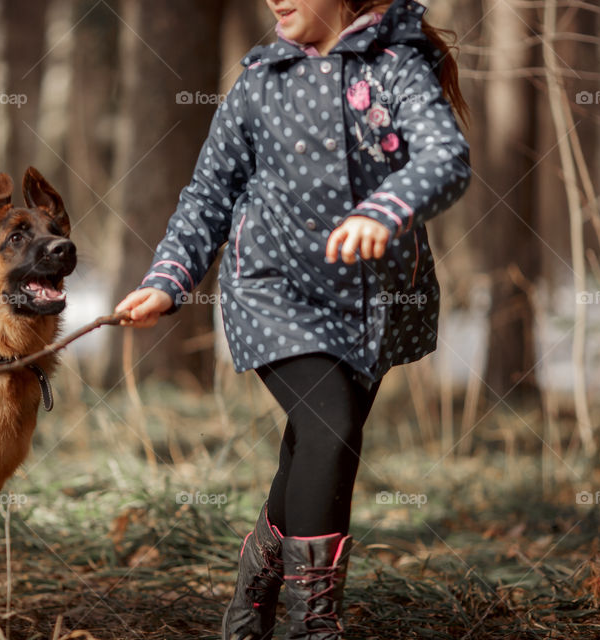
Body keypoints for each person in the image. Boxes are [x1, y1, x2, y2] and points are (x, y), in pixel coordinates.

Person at [115, 0, 471, 637]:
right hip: (271, 290)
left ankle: (253, 591)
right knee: (329, 427)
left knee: (319, 445)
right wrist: (169, 279)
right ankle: (313, 626)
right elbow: (209, 194)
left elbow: (446, 158)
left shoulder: (397, 66)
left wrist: (386, 210)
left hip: (371, 304)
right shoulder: (259, 80)